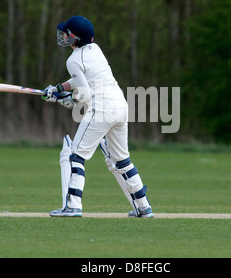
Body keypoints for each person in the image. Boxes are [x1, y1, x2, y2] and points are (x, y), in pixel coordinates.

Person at [43, 15, 153, 218]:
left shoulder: (73, 59)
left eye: (66, 33)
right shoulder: (96, 50)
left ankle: (73, 206)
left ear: (73, 38)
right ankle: (144, 207)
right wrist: (59, 88)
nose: (63, 36)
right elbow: (82, 79)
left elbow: (84, 93)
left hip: (101, 110)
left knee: (76, 156)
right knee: (122, 160)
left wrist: (70, 101)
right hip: (120, 107)